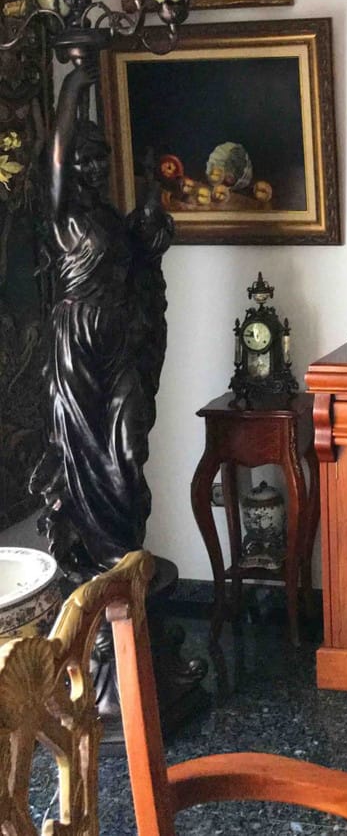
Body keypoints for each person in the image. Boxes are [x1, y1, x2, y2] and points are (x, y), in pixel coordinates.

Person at [33, 60, 174, 580]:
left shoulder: (111, 219)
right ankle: (103, 564)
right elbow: (54, 155)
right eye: (84, 160)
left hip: (120, 342)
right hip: (77, 346)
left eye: (101, 159)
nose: (95, 168)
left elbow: (142, 259)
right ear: (69, 167)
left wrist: (153, 200)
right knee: (84, 453)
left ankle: (123, 556)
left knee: (129, 446)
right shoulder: (61, 216)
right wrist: (72, 89)